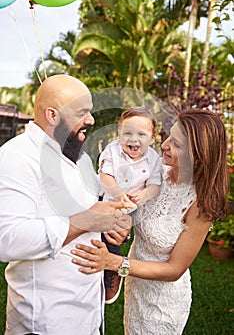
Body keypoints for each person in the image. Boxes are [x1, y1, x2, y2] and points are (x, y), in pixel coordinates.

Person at [70, 108, 228, 335]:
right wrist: (123, 227)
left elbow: (174, 269)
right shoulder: (156, 171)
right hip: (136, 287)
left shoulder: (201, 204)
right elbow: (136, 208)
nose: (164, 145)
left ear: (198, 154)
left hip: (162, 303)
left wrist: (113, 262)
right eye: (169, 136)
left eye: (177, 145)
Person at [0, 74, 131, 335]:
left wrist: (112, 224)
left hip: (88, 312)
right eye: (82, 112)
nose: (91, 120)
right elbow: (6, 239)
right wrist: (85, 221)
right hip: (47, 320)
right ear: (52, 116)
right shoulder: (16, 157)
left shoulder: (78, 157)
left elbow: (94, 207)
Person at [98, 106, 162, 304]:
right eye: (127, 133)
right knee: (97, 232)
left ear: (152, 138)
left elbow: (155, 185)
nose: (133, 139)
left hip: (133, 209)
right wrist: (118, 194)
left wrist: (144, 194)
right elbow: (105, 176)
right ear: (119, 134)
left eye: (141, 134)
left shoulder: (154, 159)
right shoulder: (112, 150)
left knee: (114, 236)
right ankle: (96, 267)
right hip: (109, 201)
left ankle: (112, 270)